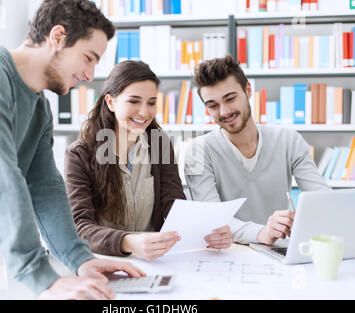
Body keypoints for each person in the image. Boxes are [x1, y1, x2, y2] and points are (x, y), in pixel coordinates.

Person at [0, 0, 145, 301]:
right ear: (57, 38)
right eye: (88, 58)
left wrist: (80, 259)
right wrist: (41, 277)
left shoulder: (39, 109)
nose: (89, 74)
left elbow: (45, 187)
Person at [64, 60, 233, 261]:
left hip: (155, 259)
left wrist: (205, 233)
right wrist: (127, 242)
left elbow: (174, 206)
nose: (144, 112)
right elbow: (80, 226)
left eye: (151, 103)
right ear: (111, 102)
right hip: (104, 261)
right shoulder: (79, 155)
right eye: (134, 101)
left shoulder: (159, 144)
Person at [185, 56, 331, 246]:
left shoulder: (288, 140)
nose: (224, 112)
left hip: (276, 248)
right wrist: (261, 232)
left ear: (248, 90)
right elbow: (212, 218)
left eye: (230, 99)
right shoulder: (198, 151)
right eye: (213, 105)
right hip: (225, 253)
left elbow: (322, 199)